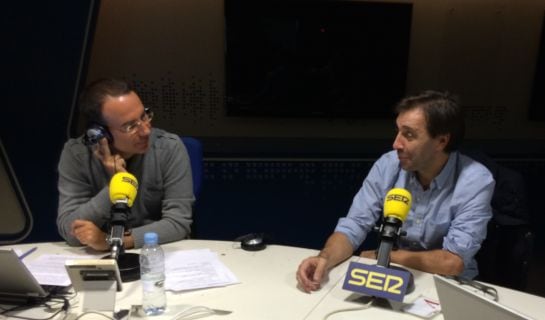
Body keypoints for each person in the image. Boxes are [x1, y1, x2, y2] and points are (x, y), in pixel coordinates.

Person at [296, 90, 495, 293]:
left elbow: (452, 262)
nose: (396, 143)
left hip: (450, 286)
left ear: (441, 141)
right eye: (398, 131)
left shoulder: (476, 180)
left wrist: (383, 255)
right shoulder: (388, 165)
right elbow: (355, 225)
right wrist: (324, 259)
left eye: (408, 135)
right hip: (394, 276)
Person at [57, 78, 194, 251]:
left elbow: (178, 224)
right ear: (100, 133)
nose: (145, 130)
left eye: (144, 116)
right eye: (130, 126)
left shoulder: (169, 148)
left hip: (157, 253)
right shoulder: (76, 156)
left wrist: (111, 241)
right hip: (99, 260)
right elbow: (69, 231)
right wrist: (115, 186)